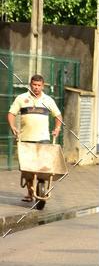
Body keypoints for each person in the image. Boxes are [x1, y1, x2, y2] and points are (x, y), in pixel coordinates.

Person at [7, 74, 62, 202]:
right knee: (28, 168)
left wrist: (57, 128)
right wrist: (13, 126)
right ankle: (30, 193)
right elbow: (11, 113)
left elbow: (58, 115)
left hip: (43, 139)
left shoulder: (48, 100)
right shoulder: (21, 98)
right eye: (34, 85)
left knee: (43, 167)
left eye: (38, 85)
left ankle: (40, 187)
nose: (36, 87)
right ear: (30, 85)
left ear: (43, 86)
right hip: (26, 139)